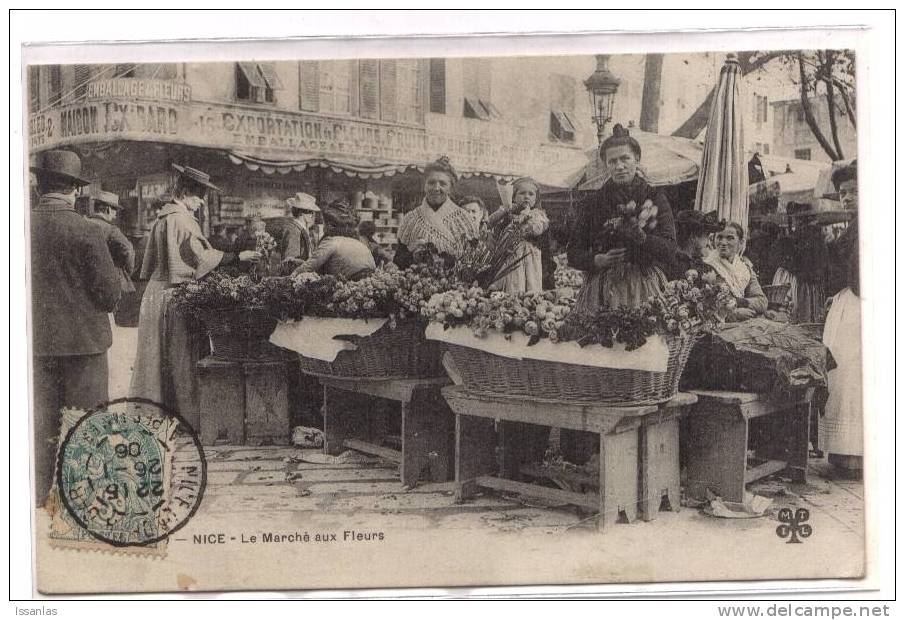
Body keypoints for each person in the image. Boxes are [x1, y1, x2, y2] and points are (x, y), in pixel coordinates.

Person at [131, 164, 260, 421]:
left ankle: (159, 413)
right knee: (181, 356)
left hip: (158, 293)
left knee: (158, 358)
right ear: (187, 192)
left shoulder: (165, 216)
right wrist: (237, 256)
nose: (201, 203)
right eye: (199, 196)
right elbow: (198, 258)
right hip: (172, 293)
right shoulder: (180, 219)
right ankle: (187, 416)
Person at [30, 150, 121, 503]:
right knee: (86, 421)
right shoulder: (87, 230)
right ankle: (83, 497)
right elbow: (110, 294)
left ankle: (37, 494)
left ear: (39, 185)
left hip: (34, 343)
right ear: (75, 191)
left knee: (39, 424)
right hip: (85, 343)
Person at [567, 124, 677, 314]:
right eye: (612, 161)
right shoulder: (593, 201)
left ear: (637, 159)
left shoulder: (654, 197)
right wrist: (596, 260)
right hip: (601, 289)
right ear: (606, 165)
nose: (619, 166)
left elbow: (670, 248)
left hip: (643, 287)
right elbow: (573, 252)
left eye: (625, 158)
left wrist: (643, 238)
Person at [820, 161, 862, 475]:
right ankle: (845, 452)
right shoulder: (853, 227)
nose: (846, 197)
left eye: (853, 190)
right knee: (843, 375)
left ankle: (858, 453)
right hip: (850, 304)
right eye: (842, 192)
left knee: (855, 376)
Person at [394, 156, 478, 268]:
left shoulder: (464, 219)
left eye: (443, 184)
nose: (436, 188)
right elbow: (398, 263)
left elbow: (474, 263)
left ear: (450, 188)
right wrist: (411, 252)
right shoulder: (410, 219)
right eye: (431, 182)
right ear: (424, 185)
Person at [488, 177, 555, 292]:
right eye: (522, 193)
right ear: (513, 197)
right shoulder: (507, 214)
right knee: (509, 284)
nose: (526, 196)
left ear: (536, 199)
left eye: (531, 194)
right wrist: (505, 211)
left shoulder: (538, 215)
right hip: (507, 258)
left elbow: (534, 229)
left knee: (529, 284)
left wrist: (524, 215)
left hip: (529, 257)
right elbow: (491, 224)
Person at [292, 199, 376, 280]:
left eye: (324, 223)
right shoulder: (357, 242)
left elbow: (311, 265)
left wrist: (294, 274)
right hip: (371, 281)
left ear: (330, 225)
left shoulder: (330, 241)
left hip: (351, 282)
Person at [704, 222, 768, 322]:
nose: (723, 243)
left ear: (741, 242)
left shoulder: (745, 267)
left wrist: (740, 302)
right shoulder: (707, 267)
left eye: (730, 238)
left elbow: (762, 301)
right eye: (719, 237)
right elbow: (705, 307)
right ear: (713, 240)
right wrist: (734, 314)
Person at [87, 190, 136, 296]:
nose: (115, 216)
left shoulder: (82, 224)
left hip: (86, 280)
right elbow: (128, 250)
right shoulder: (111, 230)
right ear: (108, 209)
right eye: (115, 211)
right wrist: (126, 271)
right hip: (108, 280)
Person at [265, 192, 320, 275]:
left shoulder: (300, 229)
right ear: (301, 213)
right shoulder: (294, 230)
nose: (313, 215)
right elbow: (290, 262)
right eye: (310, 212)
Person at [672, 209, 722, 278]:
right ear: (693, 236)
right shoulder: (674, 266)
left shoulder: (704, 267)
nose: (708, 243)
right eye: (706, 235)